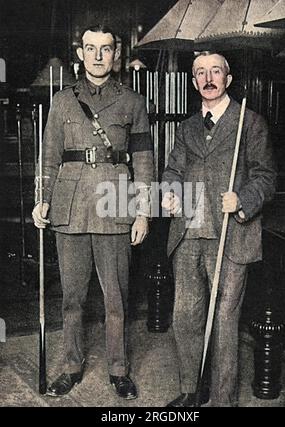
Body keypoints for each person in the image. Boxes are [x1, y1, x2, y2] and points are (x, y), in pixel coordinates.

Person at [32, 24, 153, 399]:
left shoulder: (133, 102)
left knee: (116, 297)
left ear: (115, 55)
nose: (98, 56)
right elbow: (49, 157)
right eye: (91, 48)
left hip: (115, 205)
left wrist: (143, 211)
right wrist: (42, 198)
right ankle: (70, 366)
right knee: (71, 298)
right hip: (69, 209)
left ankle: (119, 369)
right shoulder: (62, 101)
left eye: (106, 49)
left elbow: (145, 161)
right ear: (80, 53)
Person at [161, 51, 276, 407]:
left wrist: (241, 199)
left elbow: (266, 177)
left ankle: (223, 400)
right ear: (194, 82)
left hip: (231, 235)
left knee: (225, 323)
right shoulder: (187, 126)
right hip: (189, 232)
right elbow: (172, 170)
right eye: (200, 73)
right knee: (185, 317)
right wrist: (169, 191)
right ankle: (191, 390)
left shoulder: (250, 122)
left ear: (228, 78)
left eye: (215, 71)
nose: (208, 78)